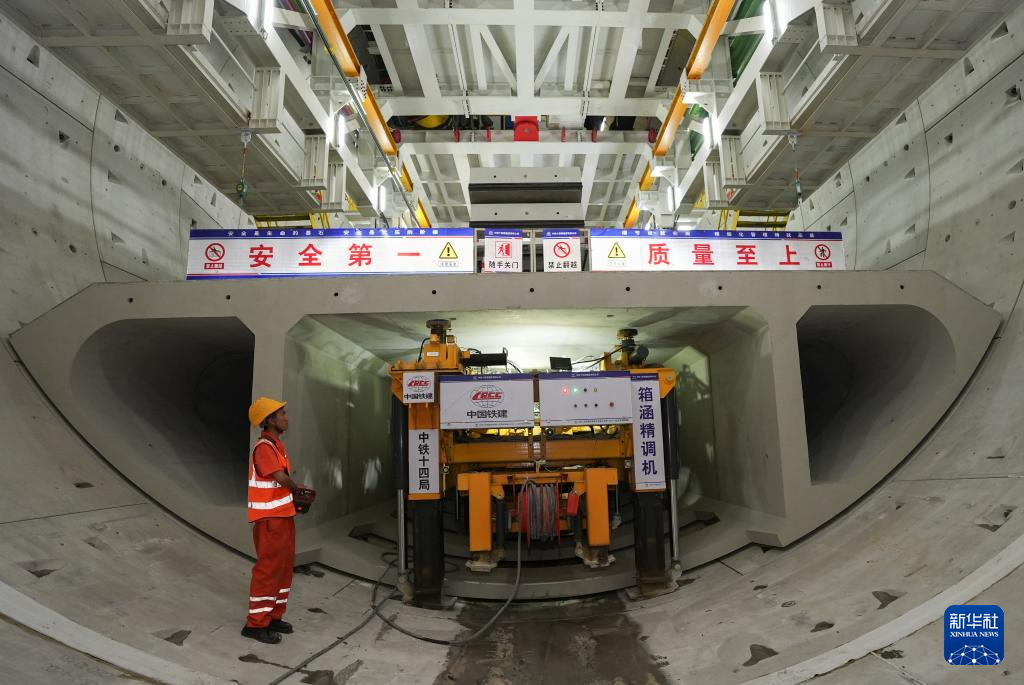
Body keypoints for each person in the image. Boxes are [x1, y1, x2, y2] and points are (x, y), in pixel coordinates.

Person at [242, 397, 305, 644]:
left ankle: (273, 617)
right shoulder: (264, 448)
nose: (286, 418)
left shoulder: (277, 446)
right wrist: (297, 488)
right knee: (268, 569)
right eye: (282, 414)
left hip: (283, 517)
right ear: (269, 420)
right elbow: (280, 477)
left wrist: (295, 495)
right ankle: (255, 625)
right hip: (270, 521)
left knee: (284, 568)